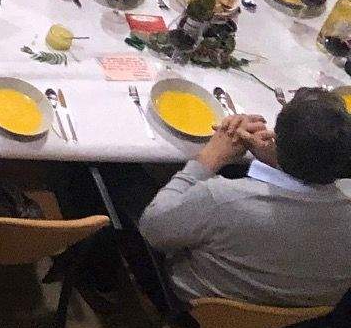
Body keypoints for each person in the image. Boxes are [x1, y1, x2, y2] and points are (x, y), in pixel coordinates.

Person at [138, 92, 351, 309]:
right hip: (283, 326)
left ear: (276, 139)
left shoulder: (222, 198)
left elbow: (151, 228)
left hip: (194, 307)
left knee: (124, 177)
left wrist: (210, 157)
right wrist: (282, 162)